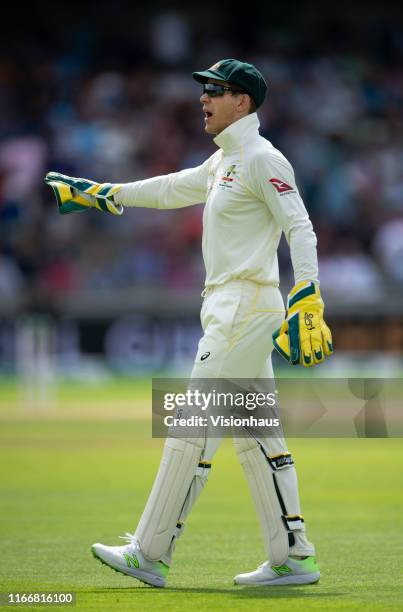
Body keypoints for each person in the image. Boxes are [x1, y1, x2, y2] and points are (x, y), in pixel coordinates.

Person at [45, 58, 333, 588]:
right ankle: (294, 555)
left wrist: (308, 296)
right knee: (256, 436)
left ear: (242, 102)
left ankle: (149, 552)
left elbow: (301, 227)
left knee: (190, 425)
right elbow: (169, 188)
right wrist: (101, 193)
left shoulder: (262, 158)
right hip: (231, 307)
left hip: (244, 307)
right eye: (203, 89)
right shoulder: (224, 161)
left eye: (215, 91)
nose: (203, 98)